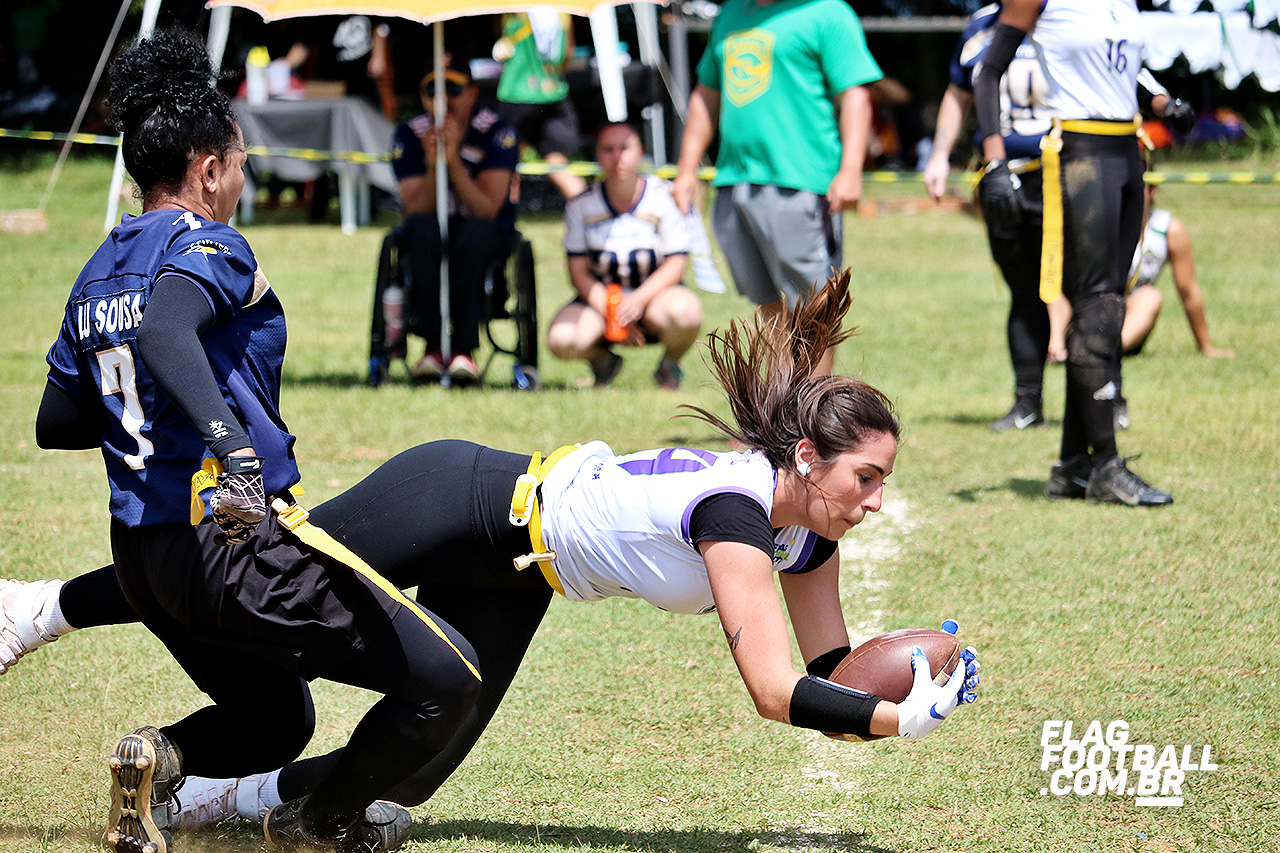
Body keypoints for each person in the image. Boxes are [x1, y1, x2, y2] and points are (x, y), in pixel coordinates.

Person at [9, 272, 981, 834]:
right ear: (806, 459)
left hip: (521, 571)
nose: (875, 500)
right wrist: (893, 721)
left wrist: (899, 686)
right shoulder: (735, 515)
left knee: (404, 779)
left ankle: (204, 799)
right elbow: (774, 691)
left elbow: (821, 674)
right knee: (257, 592)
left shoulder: (804, 529)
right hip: (464, 497)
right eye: (865, 478)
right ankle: (41, 605)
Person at [36, 27, 480, 852]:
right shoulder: (209, 241)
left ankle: (160, 755)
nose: (243, 177)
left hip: (143, 558)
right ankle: (320, 824)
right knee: (450, 681)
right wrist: (232, 449)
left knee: (277, 716)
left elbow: (55, 421)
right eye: (238, 162)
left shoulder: (96, 270)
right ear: (209, 170)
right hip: (230, 542)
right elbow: (170, 325)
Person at [974, 0, 1187, 506]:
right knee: (1097, 307)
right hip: (1081, 154)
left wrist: (1160, 104)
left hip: (1126, 151)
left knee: (1109, 305)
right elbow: (987, 73)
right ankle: (1106, 467)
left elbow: (1122, 67)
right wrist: (995, 161)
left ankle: (1073, 465)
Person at [671, 0, 882, 370]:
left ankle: (811, 416)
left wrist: (850, 168)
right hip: (735, 181)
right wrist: (687, 168)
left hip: (800, 180)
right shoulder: (731, 14)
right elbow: (707, 93)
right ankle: (784, 412)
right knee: (767, 302)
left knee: (813, 304)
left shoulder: (827, 13)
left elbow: (855, 94)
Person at [923, 3, 1054, 432]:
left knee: (1087, 289)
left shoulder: (1067, 14)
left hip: (1066, 170)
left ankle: (1106, 398)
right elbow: (958, 93)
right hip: (1003, 176)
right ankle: (1027, 401)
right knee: (1023, 288)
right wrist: (940, 155)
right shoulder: (980, 25)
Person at [1046, 181, 1235, 430]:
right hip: (1086, 314)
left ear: (1152, 190)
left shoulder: (1167, 229)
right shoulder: (1093, 221)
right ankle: (1069, 349)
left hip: (1127, 318)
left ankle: (1102, 352)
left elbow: (1189, 292)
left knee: (1151, 296)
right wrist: (1057, 336)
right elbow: (1058, 284)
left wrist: (1206, 347)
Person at [390, 54, 519, 384]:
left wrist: (455, 162)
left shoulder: (497, 132)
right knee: (420, 230)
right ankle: (433, 345)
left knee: (475, 233)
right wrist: (435, 166)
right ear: (422, 97)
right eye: (433, 90)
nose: (443, 99)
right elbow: (415, 207)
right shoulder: (408, 135)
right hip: (430, 231)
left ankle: (464, 348)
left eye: (453, 89)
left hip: (482, 234)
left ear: (473, 93)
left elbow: (488, 209)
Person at [547, 122, 703, 389]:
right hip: (601, 301)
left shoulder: (663, 197)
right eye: (608, 149)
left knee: (686, 312)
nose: (617, 156)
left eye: (625, 148)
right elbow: (578, 272)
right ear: (597, 155)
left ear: (640, 152)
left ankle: (669, 367)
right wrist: (613, 312)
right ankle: (604, 363)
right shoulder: (581, 205)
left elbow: (676, 263)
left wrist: (639, 301)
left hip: (655, 298)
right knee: (562, 339)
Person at [493, 7, 587, 200]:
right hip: (552, 92)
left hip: (517, 93)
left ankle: (504, 219)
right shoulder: (564, 10)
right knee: (556, 160)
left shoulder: (518, 8)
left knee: (506, 164)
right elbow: (569, 53)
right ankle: (588, 209)